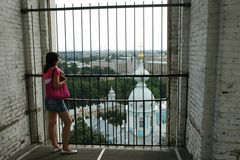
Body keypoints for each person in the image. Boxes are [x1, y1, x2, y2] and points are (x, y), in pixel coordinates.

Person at [43, 52, 77, 154]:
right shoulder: (56, 70)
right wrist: (65, 81)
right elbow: (56, 85)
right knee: (68, 122)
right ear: (54, 60)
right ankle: (65, 148)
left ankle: (55, 146)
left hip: (48, 99)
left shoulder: (46, 69)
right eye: (57, 59)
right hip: (56, 100)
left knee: (52, 123)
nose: (58, 60)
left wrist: (58, 70)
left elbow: (53, 78)